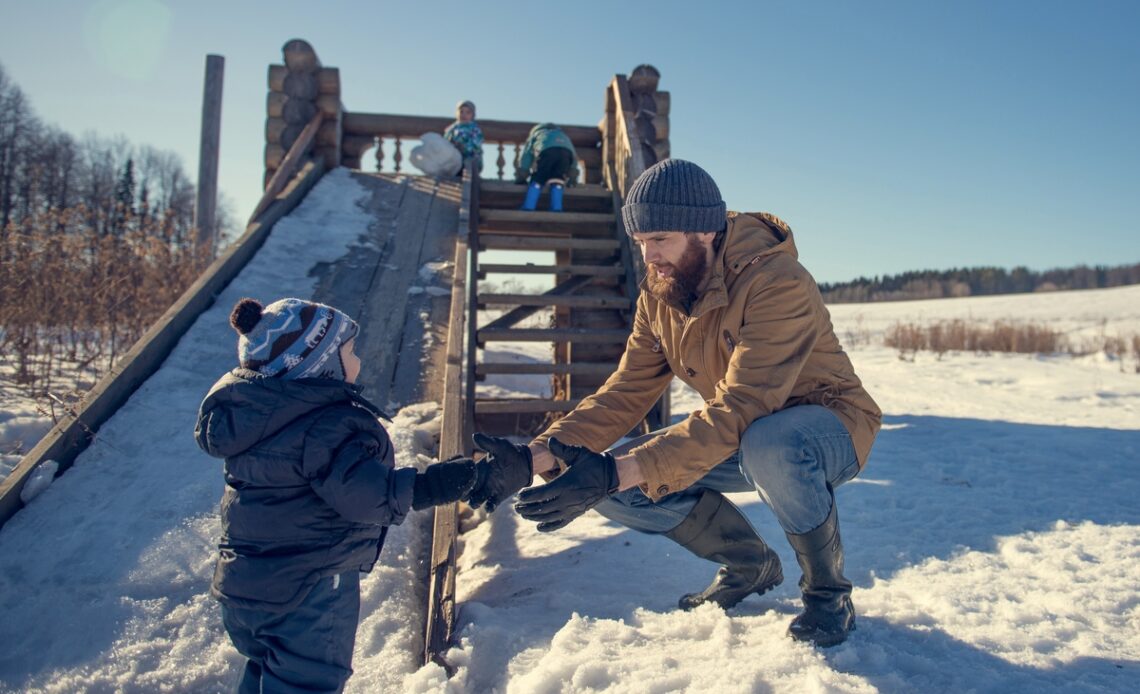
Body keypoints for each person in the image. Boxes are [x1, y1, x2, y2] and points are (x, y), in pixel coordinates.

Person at [468, 159, 882, 648]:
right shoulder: (660, 294)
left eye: (659, 239)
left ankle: (828, 595)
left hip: (826, 427)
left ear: (703, 230)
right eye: (640, 242)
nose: (649, 256)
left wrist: (620, 468)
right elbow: (626, 391)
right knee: (614, 480)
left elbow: (743, 406)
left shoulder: (777, 282)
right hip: (740, 433)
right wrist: (536, 455)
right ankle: (750, 564)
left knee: (766, 443)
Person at [195, 297, 480, 693]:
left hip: (244, 588)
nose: (358, 361)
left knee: (266, 670)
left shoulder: (256, 420)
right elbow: (368, 496)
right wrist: (440, 482)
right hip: (308, 589)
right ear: (317, 365)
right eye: (349, 352)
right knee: (309, 682)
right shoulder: (327, 427)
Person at [514, 122, 580, 211]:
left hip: (546, 151)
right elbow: (573, 156)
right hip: (566, 153)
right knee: (558, 178)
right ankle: (556, 208)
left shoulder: (537, 134)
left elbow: (527, 155)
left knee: (539, 177)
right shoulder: (563, 135)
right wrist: (572, 177)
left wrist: (522, 176)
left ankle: (529, 206)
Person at [443, 100, 484, 176]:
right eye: (461, 112)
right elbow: (446, 141)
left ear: (472, 115)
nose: (464, 115)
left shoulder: (474, 129)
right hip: (455, 158)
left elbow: (476, 145)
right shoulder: (452, 129)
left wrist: (465, 148)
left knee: (470, 164)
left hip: (470, 158)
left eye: (468, 112)